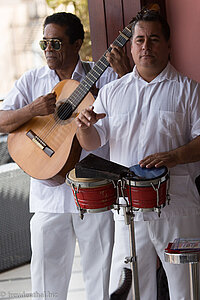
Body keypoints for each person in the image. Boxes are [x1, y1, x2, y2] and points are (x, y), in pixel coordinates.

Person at [0, 12, 131, 300]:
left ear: (77, 44)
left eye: (56, 43)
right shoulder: (32, 80)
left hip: (93, 192)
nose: (48, 50)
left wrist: (123, 74)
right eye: (44, 43)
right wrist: (31, 111)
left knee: (100, 280)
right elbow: (1, 120)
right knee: (46, 285)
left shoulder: (105, 75)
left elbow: (131, 110)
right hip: (48, 196)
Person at [76, 9, 200, 300]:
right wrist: (82, 128)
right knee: (131, 290)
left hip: (178, 206)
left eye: (154, 39)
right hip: (128, 208)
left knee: (188, 290)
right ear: (130, 47)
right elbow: (94, 141)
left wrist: (174, 156)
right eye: (140, 40)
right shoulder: (112, 92)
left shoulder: (189, 90)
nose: (146, 46)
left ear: (169, 45)